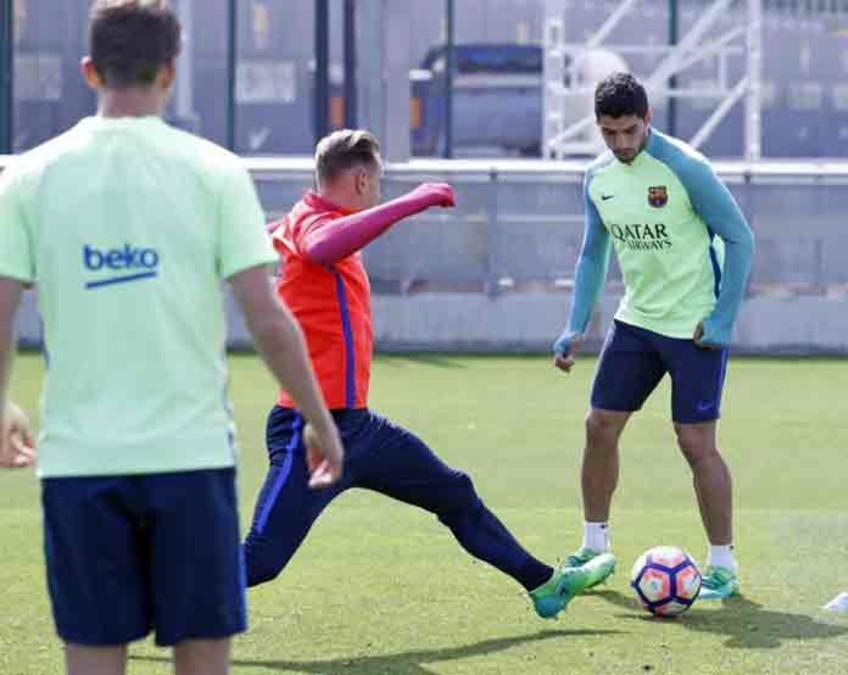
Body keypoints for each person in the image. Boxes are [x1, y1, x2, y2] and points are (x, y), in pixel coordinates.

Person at [0, 2, 344, 674]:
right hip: (191, 459)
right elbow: (267, 317)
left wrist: (1, 401)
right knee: (202, 657)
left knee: (94, 656)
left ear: (90, 71)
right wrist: (317, 414)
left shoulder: (27, 177)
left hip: (80, 463)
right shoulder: (214, 171)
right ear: (170, 71)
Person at [242, 128, 614, 619]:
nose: (380, 193)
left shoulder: (303, 217)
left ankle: (545, 585)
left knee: (454, 492)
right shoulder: (315, 224)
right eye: (378, 183)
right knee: (263, 559)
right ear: (358, 181)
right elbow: (317, 248)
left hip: (358, 428)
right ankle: (129, 600)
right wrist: (411, 203)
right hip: (308, 433)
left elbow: (286, 241)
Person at [553, 72, 755, 599]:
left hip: (694, 324)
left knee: (694, 442)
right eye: (608, 133)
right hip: (637, 321)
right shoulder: (597, 178)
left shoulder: (686, 168)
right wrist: (576, 325)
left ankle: (723, 566)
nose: (620, 144)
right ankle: (594, 546)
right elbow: (593, 253)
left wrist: (723, 319)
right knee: (599, 426)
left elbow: (740, 238)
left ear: (648, 121)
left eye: (629, 131)